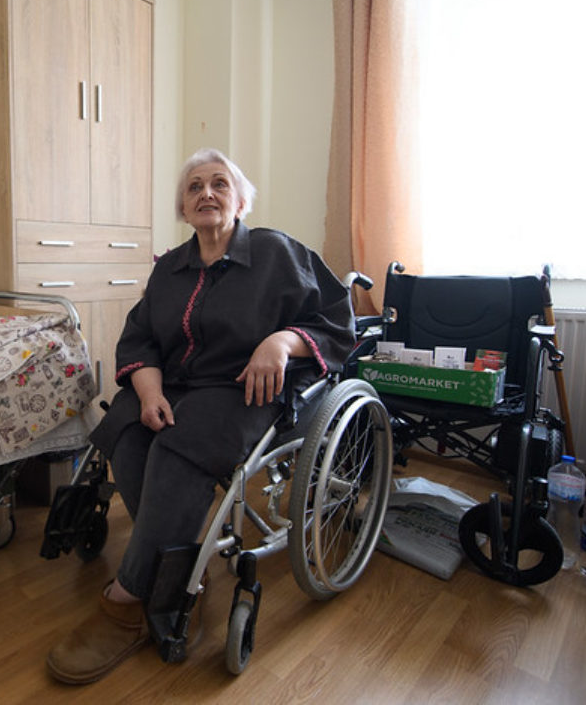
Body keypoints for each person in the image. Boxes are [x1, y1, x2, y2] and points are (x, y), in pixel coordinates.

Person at [46, 148, 357, 684]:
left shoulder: (278, 253)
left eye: (219, 184)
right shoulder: (170, 267)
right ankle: (180, 562)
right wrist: (147, 391)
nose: (206, 194)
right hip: (169, 384)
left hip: (241, 387)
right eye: (194, 187)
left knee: (178, 448)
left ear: (239, 201)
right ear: (183, 208)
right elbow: (139, 336)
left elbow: (336, 321)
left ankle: (127, 602)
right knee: (127, 435)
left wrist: (282, 341)